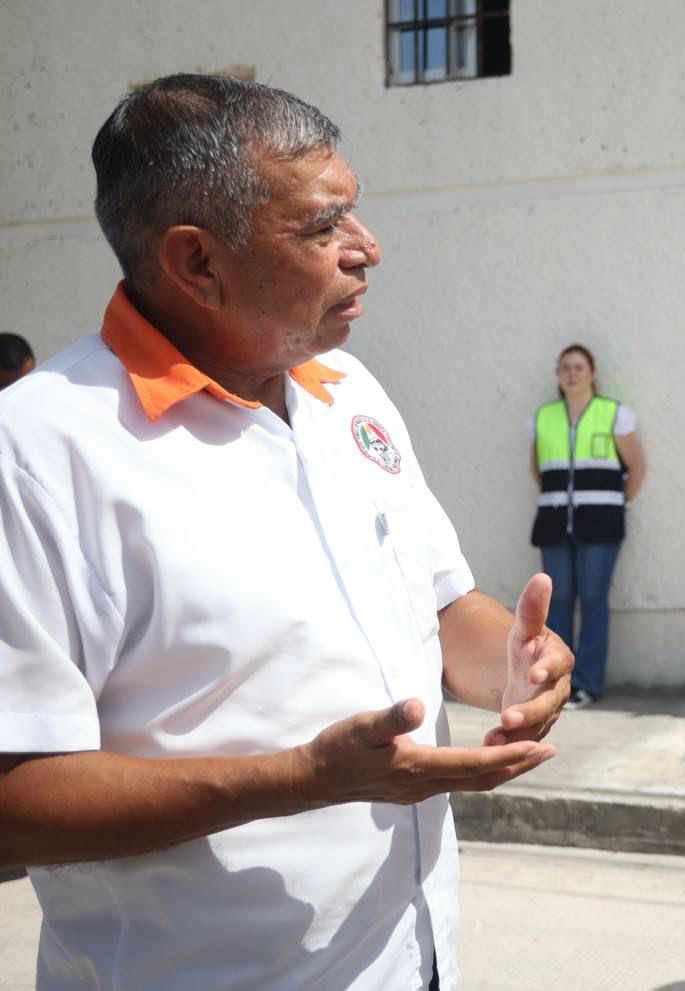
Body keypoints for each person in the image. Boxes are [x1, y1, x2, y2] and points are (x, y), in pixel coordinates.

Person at [0, 74, 571, 991]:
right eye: (321, 225)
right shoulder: (37, 450)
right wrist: (303, 777)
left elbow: (442, 603)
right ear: (197, 262)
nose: (367, 247)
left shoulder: (347, 391)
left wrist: (514, 664)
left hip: (415, 962)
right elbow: (15, 802)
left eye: (355, 211)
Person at [529, 343, 646, 708]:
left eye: (579, 367)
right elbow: (537, 469)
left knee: (594, 600)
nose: (572, 373)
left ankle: (587, 683)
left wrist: (618, 504)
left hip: (602, 523)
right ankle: (557, 683)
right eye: (565, 367)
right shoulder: (543, 417)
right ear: (557, 373)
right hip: (553, 522)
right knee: (557, 601)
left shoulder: (614, 414)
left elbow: (637, 467)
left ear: (592, 372)